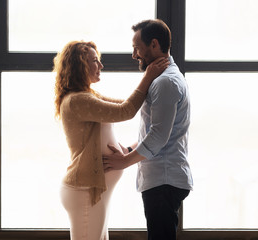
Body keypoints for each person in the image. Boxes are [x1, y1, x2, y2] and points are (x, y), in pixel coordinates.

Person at [53, 40, 168, 240]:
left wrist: (133, 149)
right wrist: (149, 76)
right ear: (80, 65)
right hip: (85, 192)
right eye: (95, 61)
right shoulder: (78, 100)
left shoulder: (87, 96)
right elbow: (126, 111)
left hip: (90, 192)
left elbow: (126, 105)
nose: (100, 66)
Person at [103, 19, 193, 240]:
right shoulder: (164, 78)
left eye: (137, 48)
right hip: (163, 179)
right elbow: (159, 130)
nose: (134, 55)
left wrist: (125, 161)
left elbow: (159, 136)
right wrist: (129, 149)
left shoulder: (165, 82)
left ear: (154, 44)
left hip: (164, 180)